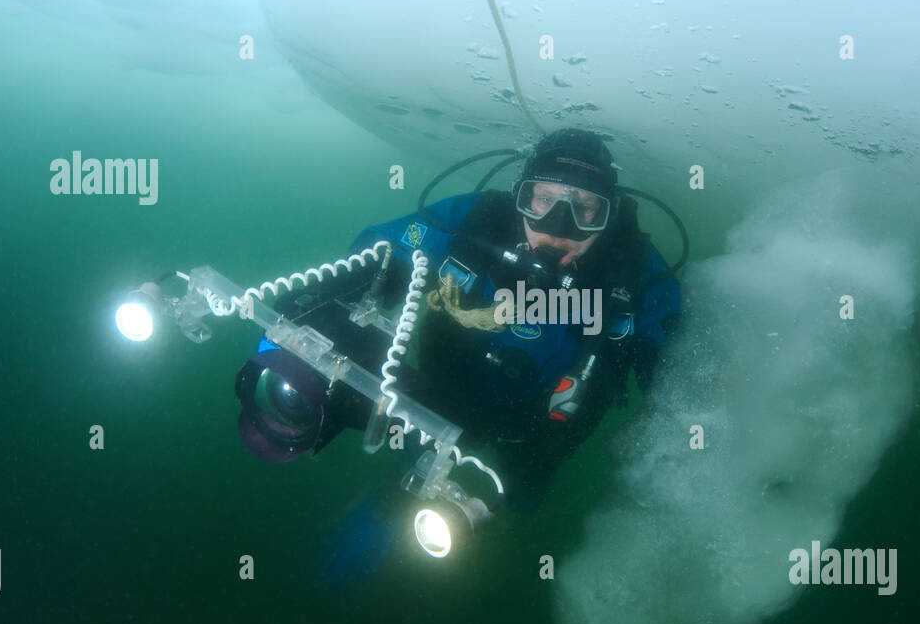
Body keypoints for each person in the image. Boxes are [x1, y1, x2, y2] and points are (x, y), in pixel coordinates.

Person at [235, 128, 681, 580]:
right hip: (446, 392)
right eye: (543, 200)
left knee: (518, 498)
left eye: (585, 209)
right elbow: (382, 248)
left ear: (609, 215)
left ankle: (482, 544)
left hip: (540, 435)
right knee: (414, 453)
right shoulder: (475, 221)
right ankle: (392, 500)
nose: (558, 227)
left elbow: (676, 365)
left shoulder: (636, 273)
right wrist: (315, 310)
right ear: (519, 197)